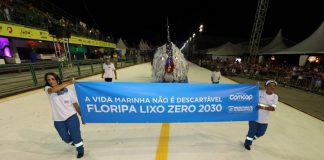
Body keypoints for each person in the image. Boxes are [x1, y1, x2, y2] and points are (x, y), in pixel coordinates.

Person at [44, 72, 85, 158]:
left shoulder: (69, 91)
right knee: (65, 138)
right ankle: (75, 141)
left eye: (53, 79)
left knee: (75, 135)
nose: (51, 81)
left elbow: (75, 104)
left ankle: (80, 149)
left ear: (57, 79)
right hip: (58, 120)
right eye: (48, 80)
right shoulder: (48, 89)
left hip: (71, 117)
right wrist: (70, 82)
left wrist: (82, 116)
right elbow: (53, 90)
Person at [244, 79, 278, 150]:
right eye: (270, 85)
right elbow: (250, 95)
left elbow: (273, 108)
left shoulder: (275, 97)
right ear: (266, 86)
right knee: (251, 131)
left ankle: (252, 137)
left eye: (274, 86)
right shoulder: (260, 92)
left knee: (261, 133)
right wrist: (255, 87)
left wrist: (262, 107)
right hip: (254, 117)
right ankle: (247, 143)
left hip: (264, 120)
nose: (272, 87)